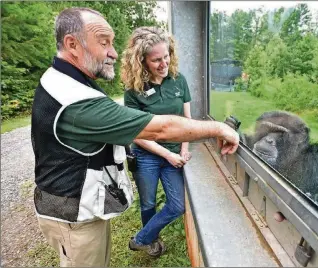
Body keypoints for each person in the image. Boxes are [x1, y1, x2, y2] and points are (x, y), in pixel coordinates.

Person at [31, 7, 239, 267]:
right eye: (104, 42)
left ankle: (143, 237)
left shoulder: (63, 81)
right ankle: (146, 237)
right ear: (72, 44)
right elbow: (157, 129)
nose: (114, 53)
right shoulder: (77, 102)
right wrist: (219, 128)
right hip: (73, 215)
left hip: (77, 208)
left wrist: (181, 149)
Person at [121, 26, 192, 257]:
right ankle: (152, 242)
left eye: (166, 56)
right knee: (148, 203)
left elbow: (186, 121)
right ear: (142, 62)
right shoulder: (134, 90)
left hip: (174, 154)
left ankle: (141, 239)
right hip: (147, 156)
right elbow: (137, 133)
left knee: (177, 205)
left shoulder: (179, 80)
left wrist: (183, 149)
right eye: (156, 60)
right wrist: (167, 154)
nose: (163, 64)